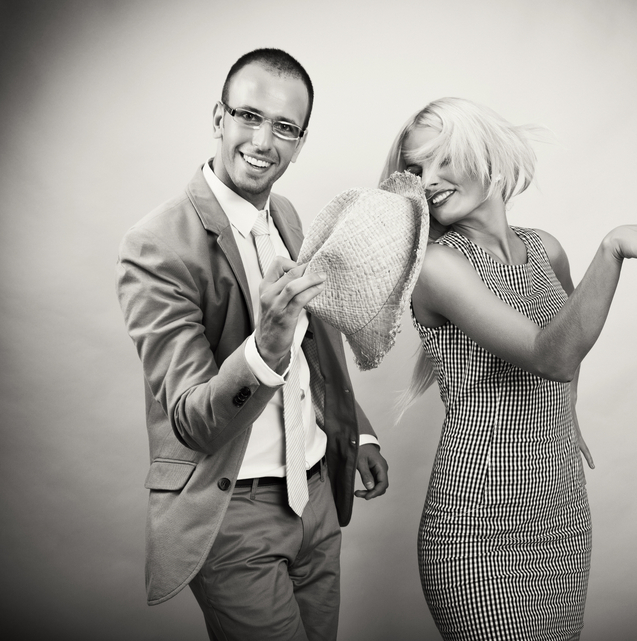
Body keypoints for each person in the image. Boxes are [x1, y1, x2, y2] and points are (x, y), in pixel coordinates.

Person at [380, 97, 637, 641]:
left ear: (485, 156)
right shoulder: (439, 266)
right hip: (479, 528)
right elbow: (553, 355)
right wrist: (614, 245)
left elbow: (568, 342)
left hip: (560, 511)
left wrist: (565, 412)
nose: (427, 180)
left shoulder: (546, 250)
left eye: (442, 160)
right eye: (416, 168)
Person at [116, 48, 389, 641]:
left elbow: (314, 345)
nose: (264, 141)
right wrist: (263, 349)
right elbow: (191, 420)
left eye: (285, 128)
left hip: (315, 497)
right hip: (233, 511)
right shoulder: (157, 246)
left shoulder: (288, 215)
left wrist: (356, 428)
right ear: (218, 117)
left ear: (301, 141)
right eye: (249, 116)